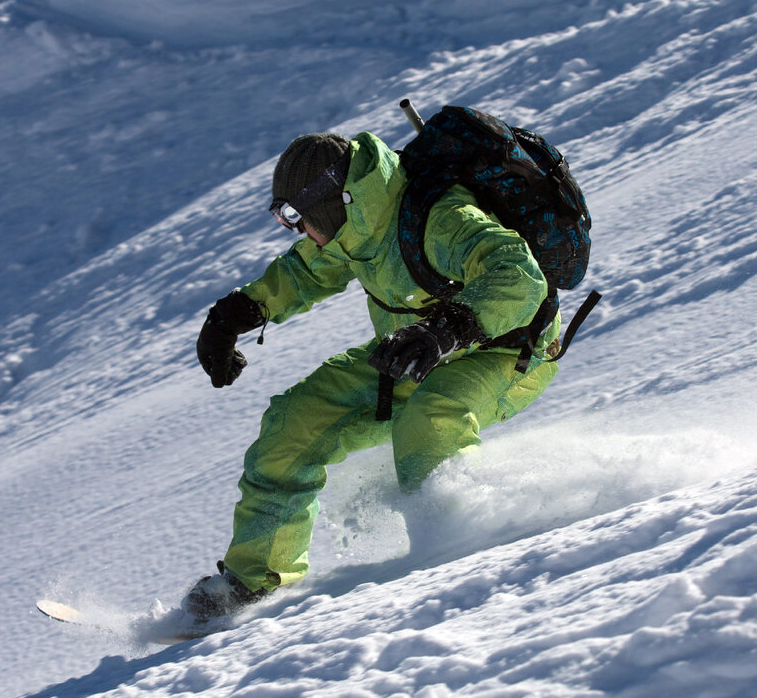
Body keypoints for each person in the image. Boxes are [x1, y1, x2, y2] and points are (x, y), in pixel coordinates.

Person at [183, 129, 562, 621]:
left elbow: (518, 275)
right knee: (294, 422)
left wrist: (445, 331)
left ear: (332, 199)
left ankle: (460, 557)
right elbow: (306, 272)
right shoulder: (353, 225)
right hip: (415, 349)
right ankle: (254, 582)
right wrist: (235, 315)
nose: (294, 229)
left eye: (295, 216)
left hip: (509, 349)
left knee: (431, 417)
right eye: (283, 218)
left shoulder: (440, 219)